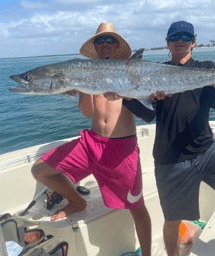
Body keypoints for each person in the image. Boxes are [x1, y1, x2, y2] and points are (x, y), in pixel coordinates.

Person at [114, 21, 215, 256]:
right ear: (167, 43)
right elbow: (147, 114)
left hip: (207, 151)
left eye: (185, 37)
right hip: (170, 159)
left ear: (193, 42)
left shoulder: (206, 67)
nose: (180, 41)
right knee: (172, 221)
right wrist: (124, 95)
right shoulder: (154, 73)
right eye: (175, 37)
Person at [31, 22, 151, 256]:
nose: (104, 45)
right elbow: (87, 112)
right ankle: (77, 202)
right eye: (99, 41)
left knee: (136, 207)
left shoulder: (130, 70)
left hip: (121, 148)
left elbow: (146, 109)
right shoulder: (85, 71)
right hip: (91, 143)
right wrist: (81, 85)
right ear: (95, 46)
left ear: (117, 45)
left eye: (109, 40)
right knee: (40, 170)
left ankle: (147, 254)